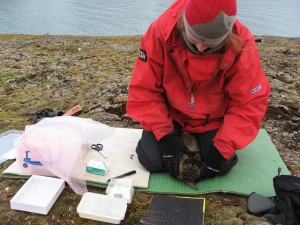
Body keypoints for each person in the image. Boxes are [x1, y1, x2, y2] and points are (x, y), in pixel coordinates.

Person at [126, 0, 270, 180]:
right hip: (170, 116)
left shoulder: (243, 44)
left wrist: (222, 148)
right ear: (183, 25)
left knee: (221, 164)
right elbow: (145, 90)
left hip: (212, 121)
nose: (200, 49)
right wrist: (165, 136)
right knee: (152, 160)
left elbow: (248, 103)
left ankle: (196, 142)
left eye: (211, 46)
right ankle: (180, 138)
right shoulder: (159, 33)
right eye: (193, 40)